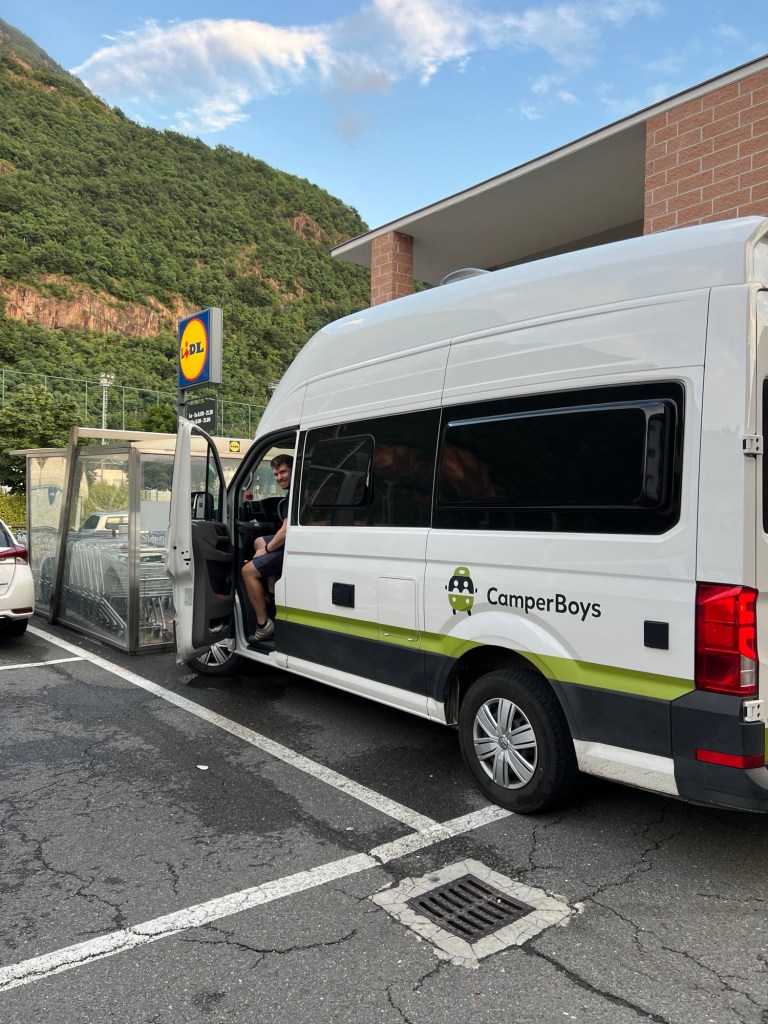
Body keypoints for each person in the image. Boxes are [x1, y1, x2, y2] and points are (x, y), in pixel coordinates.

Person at [241, 454, 293, 643]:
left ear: (294, 470)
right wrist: (265, 548)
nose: (279, 478)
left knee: (247, 571)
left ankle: (263, 624)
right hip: (297, 540)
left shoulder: (294, 495)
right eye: (276, 474)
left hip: (295, 545)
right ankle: (271, 591)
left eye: (283, 472)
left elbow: (285, 532)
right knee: (258, 542)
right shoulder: (298, 490)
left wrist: (268, 550)